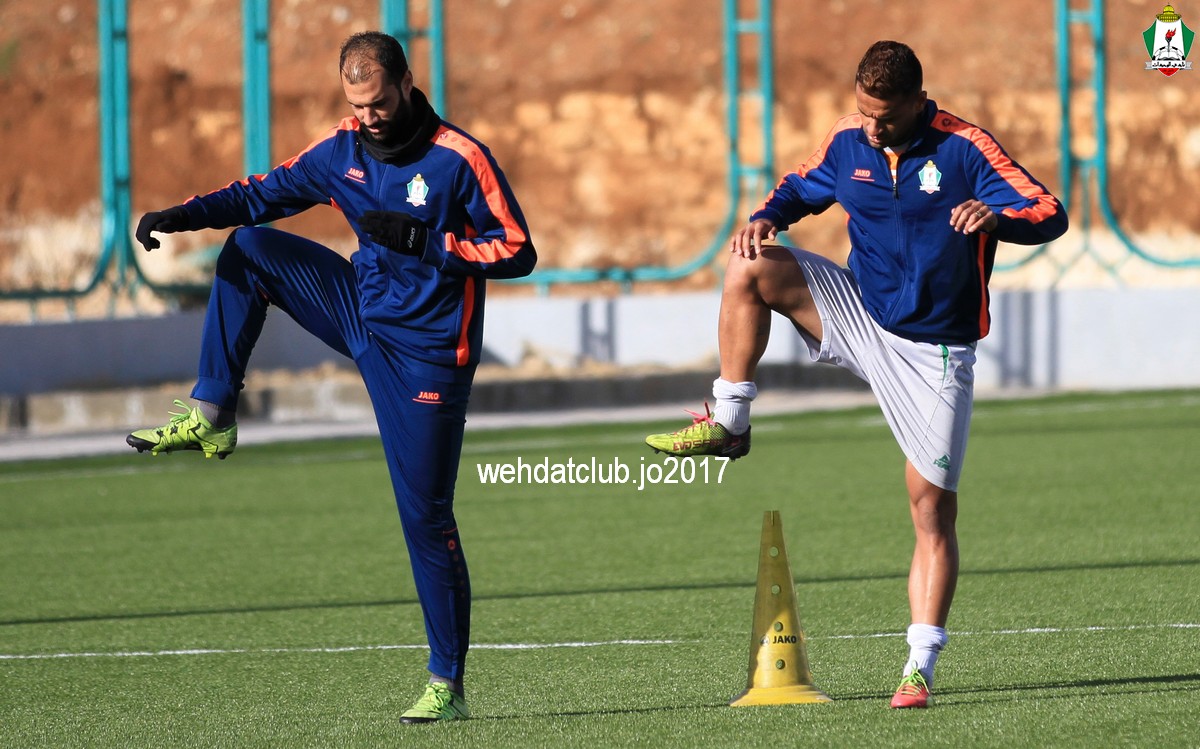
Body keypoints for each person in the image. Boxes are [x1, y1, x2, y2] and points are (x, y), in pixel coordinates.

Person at [126, 31, 536, 723]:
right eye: (356, 105)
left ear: (406, 84)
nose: (368, 117)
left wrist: (430, 243)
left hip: (428, 355)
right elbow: (261, 195)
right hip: (360, 314)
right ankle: (213, 412)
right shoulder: (341, 151)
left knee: (425, 517)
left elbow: (518, 249)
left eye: (378, 103)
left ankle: (447, 684)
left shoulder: (460, 159)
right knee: (249, 247)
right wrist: (184, 216)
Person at [645, 40, 1067, 708]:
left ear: (918, 101)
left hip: (934, 351)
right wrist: (765, 218)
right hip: (859, 312)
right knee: (749, 264)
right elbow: (795, 189)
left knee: (930, 508)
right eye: (864, 112)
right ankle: (731, 419)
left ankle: (919, 665)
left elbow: (1047, 210)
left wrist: (999, 216)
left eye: (885, 116)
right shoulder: (847, 142)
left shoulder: (965, 148)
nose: (872, 127)